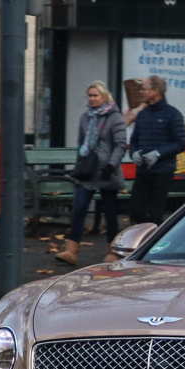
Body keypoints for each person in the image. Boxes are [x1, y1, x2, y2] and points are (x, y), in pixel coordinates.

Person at [57, 81, 126, 266]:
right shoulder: (85, 117)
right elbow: (81, 144)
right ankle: (71, 250)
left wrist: (112, 165)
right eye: (90, 95)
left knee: (110, 213)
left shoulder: (115, 117)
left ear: (105, 96)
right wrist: (79, 166)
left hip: (106, 171)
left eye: (95, 95)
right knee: (79, 209)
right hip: (88, 172)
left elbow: (120, 144)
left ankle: (113, 251)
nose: (92, 99)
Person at [128, 74, 185, 226]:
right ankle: (142, 241)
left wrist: (159, 153)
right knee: (136, 211)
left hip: (162, 172)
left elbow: (181, 143)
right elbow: (134, 140)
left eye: (144, 89)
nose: (141, 92)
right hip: (143, 171)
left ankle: (153, 245)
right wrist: (133, 153)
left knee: (155, 213)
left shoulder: (173, 114)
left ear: (156, 91)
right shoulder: (142, 114)